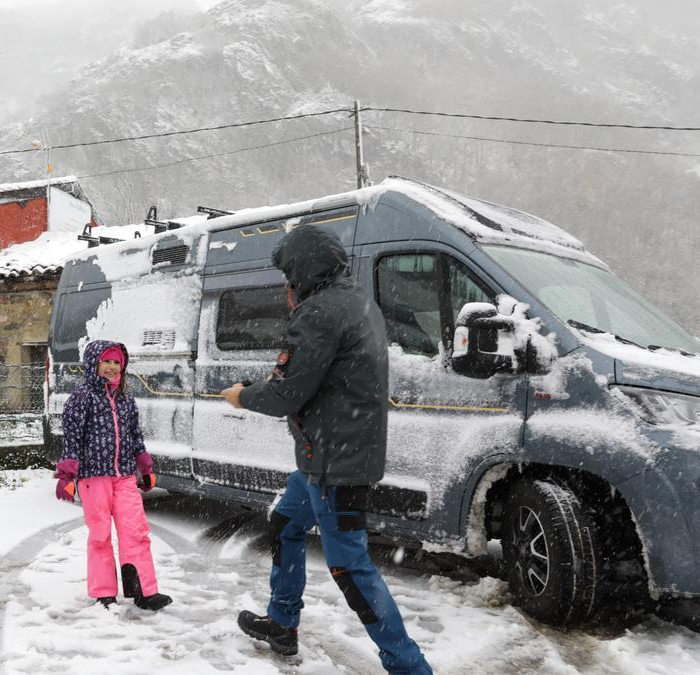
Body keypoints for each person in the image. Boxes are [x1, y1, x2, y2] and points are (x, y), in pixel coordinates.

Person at [219, 225, 432, 674]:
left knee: (350, 568)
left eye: (288, 274)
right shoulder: (357, 303)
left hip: (334, 463)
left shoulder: (320, 312)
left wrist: (242, 395)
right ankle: (282, 623)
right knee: (285, 523)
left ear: (303, 270)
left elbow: (286, 394)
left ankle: (409, 666)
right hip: (332, 454)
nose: (285, 284)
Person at [54, 339, 172, 611]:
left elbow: (135, 436)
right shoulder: (81, 398)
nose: (111, 366)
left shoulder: (126, 400)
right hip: (93, 476)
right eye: (106, 361)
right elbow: (72, 439)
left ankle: (143, 590)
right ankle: (104, 592)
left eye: (117, 362)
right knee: (100, 535)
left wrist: (144, 464)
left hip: (124, 476)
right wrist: (67, 474)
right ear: (93, 364)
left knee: (136, 531)